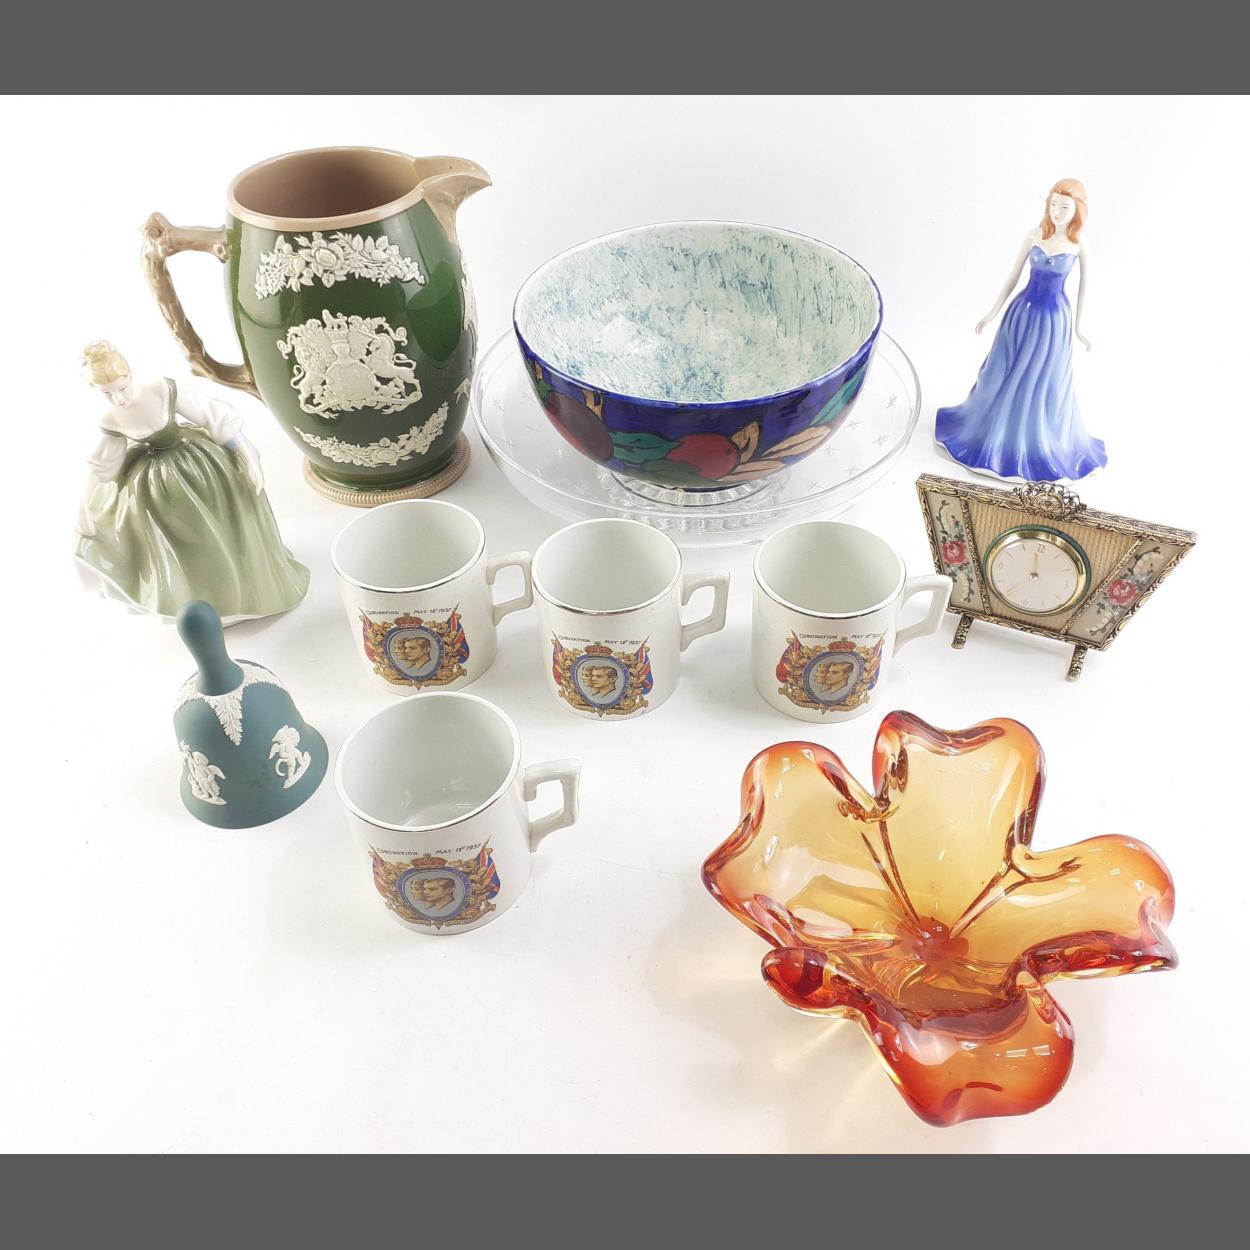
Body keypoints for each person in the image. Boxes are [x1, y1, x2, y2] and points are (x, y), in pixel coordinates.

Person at [75, 342, 309, 621]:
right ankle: (211, 600)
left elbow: (212, 417)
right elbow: (103, 467)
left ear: (129, 376)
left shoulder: (161, 390)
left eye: (122, 388)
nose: (119, 399)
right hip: (159, 485)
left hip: (202, 463)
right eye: (107, 393)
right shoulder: (112, 419)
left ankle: (249, 588)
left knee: (228, 520)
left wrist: (247, 455)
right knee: (180, 538)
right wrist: (84, 508)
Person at [935, 179, 1106, 482]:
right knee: (1002, 370)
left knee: (1045, 380)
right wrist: (992, 313)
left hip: (1054, 321)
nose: (1057, 212)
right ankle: (995, 433)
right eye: (1053, 204)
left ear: (1078, 210)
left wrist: (1080, 327)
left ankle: (1034, 442)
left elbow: (1085, 288)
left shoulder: (1080, 244)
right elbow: (1013, 277)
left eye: (1065, 207)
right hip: (1022, 313)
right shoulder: (1034, 235)